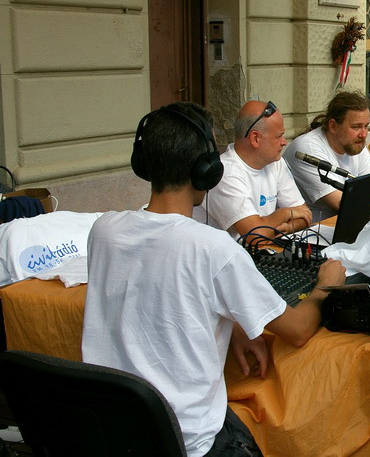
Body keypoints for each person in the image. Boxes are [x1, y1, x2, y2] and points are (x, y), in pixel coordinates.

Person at [82, 102, 346, 456]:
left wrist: (234, 324)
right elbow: (297, 331)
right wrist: (325, 285)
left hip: (111, 434)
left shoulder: (103, 230)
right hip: (189, 442)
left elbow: (155, 292)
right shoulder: (213, 247)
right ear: (206, 170)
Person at [194, 100, 312, 243]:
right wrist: (285, 213)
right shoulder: (225, 172)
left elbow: (305, 215)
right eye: (278, 136)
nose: (284, 142)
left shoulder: (275, 162)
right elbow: (255, 235)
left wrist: (287, 227)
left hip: (261, 253)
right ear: (255, 138)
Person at [283, 91, 370, 223]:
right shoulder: (307, 149)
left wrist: (364, 200)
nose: (364, 134)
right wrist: (366, 198)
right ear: (333, 126)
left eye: (366, 126)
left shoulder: (355, 143)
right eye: (356, 127)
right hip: (310, 232)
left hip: (342, 225)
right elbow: (344, 205)